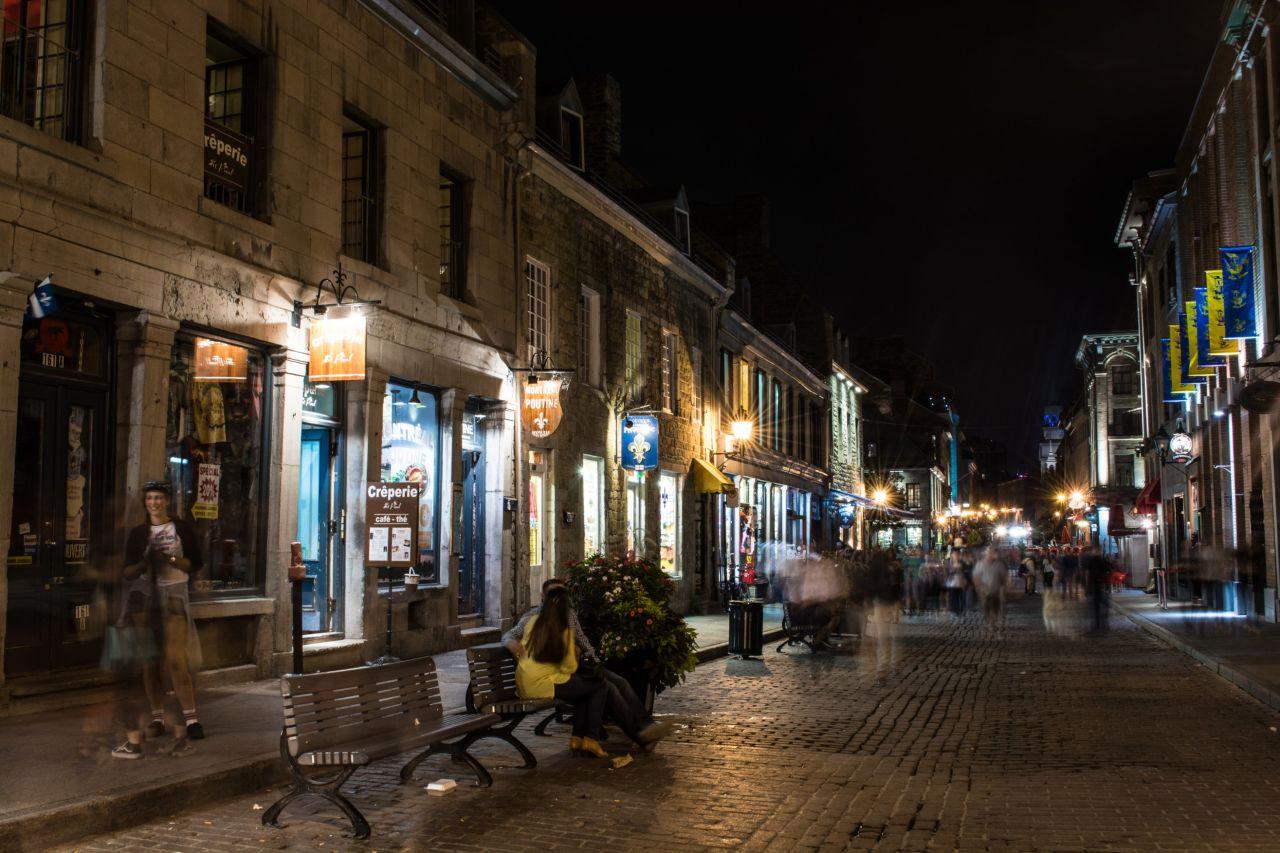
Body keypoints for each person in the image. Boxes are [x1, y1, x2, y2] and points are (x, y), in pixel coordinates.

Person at [504, 577, 672, 747]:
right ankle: (634, 734)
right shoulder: (533, 617)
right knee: (605, 687)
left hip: (571, 668)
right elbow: (510, 635)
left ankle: (645, 727)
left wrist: (594, 660)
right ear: (543, 596)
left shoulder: (568, 614)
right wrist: (513, 645)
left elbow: (582, 639)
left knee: (620, 682)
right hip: (560, 672)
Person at [113, 481, 204, 759]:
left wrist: (171, 559)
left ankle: (191, 719)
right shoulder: (139, 533)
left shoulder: (180, 528)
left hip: (174, 594)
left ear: (167, 501)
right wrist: (144, 563)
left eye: (159, 498)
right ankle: (157, 717)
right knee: (149, 661)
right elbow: (127, 572)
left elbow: (194, 564)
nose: (154, 503)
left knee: (176, 659)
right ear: (145, 502)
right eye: (150, 498)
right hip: (145, 597)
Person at [515, 586, 611, 757]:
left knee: (584, 691)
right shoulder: (563, 630)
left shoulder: (532, 622)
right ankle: (591, 738)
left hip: (525, 684)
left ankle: (577, 738)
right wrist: (576, 652)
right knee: (599, 685)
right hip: (545, 684)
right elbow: (570, 668)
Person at [972, 547, 1008, 629]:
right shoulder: (980, 564)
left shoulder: (999, 564)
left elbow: (1003, 576)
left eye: (993, 553)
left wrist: (1004, 586)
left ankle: (992, 622)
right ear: (986, 554)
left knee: (995, 607)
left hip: (996, 590)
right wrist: (978, 587)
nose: (993, 555)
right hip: (984, 591)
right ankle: (989, 621)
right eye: (990, 553)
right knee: (986, 607)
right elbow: (976, 576)